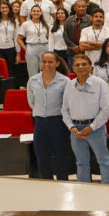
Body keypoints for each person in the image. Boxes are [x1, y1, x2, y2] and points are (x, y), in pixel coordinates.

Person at [61, 54, 109, 184]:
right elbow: (64, 109)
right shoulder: (69, 85)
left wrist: (92, 127)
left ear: (91, 67)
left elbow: (106, 109)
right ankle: (83, 191)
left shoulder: (100, 84)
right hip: (75, 130)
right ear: (73, 68)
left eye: (84, 64)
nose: (81, 67)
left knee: (104, 161)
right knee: (81, 162)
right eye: (77, 65)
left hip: (95, 128)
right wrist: (71, 127)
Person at [27, 51, 71, 180]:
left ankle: (63, 182)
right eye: (44, 62)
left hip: (58, 121)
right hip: (40, 121)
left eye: (50, 62)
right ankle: (46, 182)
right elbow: (32, 102)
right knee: (42, 155)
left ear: (57, 63)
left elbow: (67, 103)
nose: (47, 64)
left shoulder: (65, 81)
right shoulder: (33, 80)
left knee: (61, 155)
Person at [17, 4, 50, 76]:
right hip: (31, 47)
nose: (36, 13)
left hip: (44, 47)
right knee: (32, 72)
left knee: (45, 71)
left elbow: (48, 37)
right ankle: (32, 87)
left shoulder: (45, 24)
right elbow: (19, 39)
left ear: (41, 13)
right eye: (34, 11)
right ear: (31, 13)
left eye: (38, 11)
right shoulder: (26, 24)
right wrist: (26, 49)